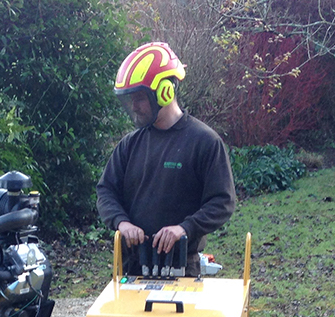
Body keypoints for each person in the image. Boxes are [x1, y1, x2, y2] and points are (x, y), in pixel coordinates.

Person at [96, 42, 236, 277]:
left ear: (165, 92)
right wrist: (122, 223)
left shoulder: (205, 142)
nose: (134, 107)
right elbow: (105, 191)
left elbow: (222, 202)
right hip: (132, 266)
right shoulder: (130, 145)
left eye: (139, 98)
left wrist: (184, 229)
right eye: (130, 99)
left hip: (182, 265)